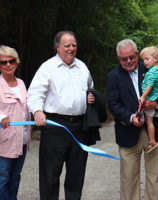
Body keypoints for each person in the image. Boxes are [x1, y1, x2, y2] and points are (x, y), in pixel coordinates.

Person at [27, 30, 95, 200]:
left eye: (74, 45)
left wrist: (92, 97)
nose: (71, 48)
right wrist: (37, 111)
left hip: (80, 127)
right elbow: (35, 94)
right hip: (55, 126)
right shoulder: (47, 67)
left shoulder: (82, 67)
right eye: (67, 46)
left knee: (76, 174)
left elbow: (90, 89)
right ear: (58, 48)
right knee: (50, 174)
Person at [107, 39, 158, 200]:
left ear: (137, 54)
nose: (129, 61)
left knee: (155, 179)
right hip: (127, 132)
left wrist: (155, 104)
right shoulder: (113, 76)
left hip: (156, 132)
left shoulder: (151, 67)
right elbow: (113, 105)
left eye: (132, 57)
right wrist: (131, 117)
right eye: (124, 59)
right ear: (119, 58)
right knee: (129, 180)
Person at [0, 45, 31, 200]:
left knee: (15, 177)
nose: (7, 65)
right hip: (4, 141)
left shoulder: (21, 83)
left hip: (22, 141)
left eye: (11, 61)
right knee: (3, 179)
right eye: (3, 62)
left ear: (16, 63)